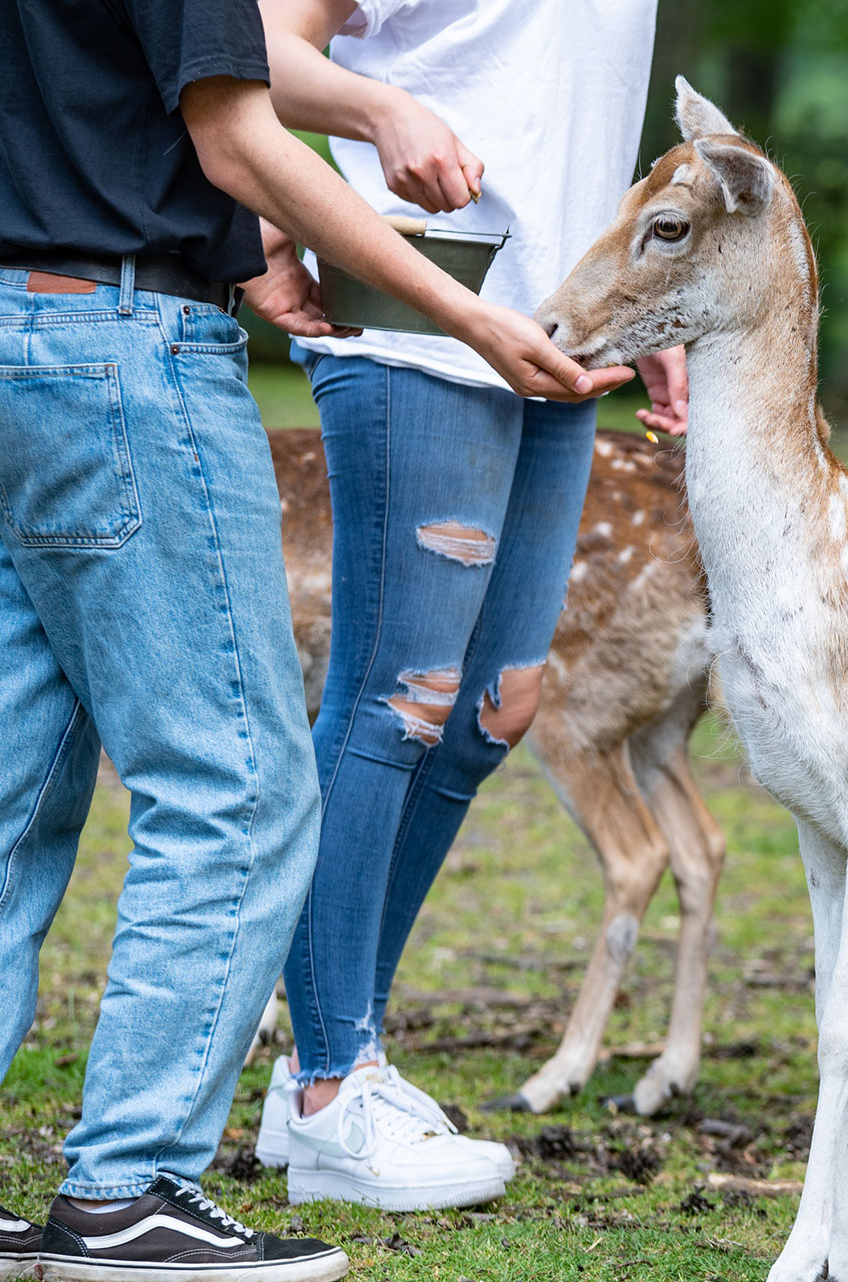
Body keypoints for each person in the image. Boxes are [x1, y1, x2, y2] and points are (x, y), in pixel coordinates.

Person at [0, 0, 631, 1277]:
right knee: (238, 788)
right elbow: (235, 139)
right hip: (125, 354)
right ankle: (132, 1188)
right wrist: (464, 306)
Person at [245, 0, 682, 1213]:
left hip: (558, 326)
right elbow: (255, 48)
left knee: (495, 707)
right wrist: (350, 142)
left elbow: (572, 100)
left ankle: (326, 1062)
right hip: (422, 312)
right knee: (398, 701)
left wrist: (636, 292)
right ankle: (335, 1082)